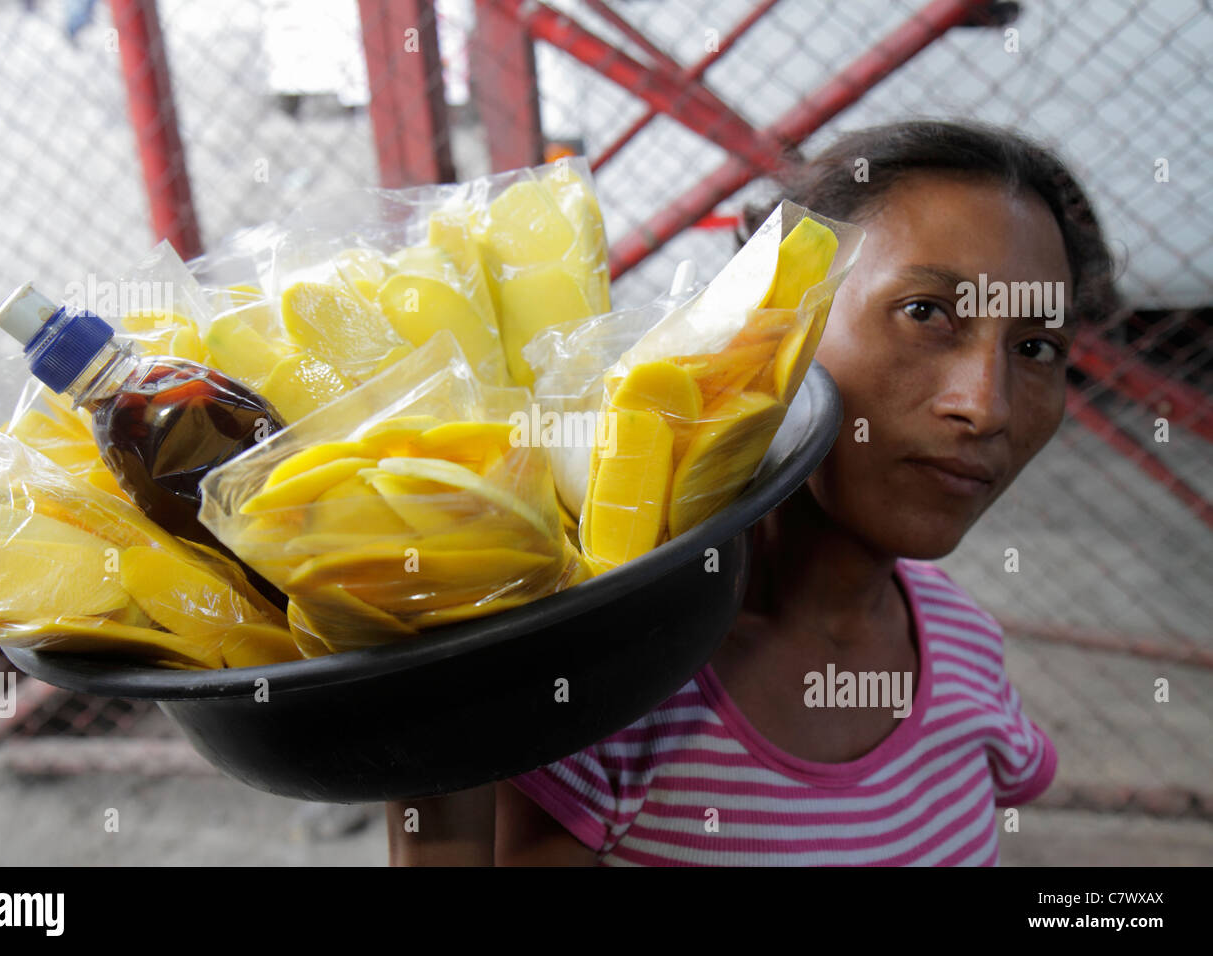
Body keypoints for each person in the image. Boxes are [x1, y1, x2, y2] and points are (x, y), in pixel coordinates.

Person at [386, 118, 1117, 866]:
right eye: (926, 312)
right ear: (775, 320)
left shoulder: (967, 649)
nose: (985, 406)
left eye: (1036, 348)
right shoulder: (608, 686)